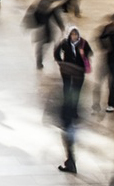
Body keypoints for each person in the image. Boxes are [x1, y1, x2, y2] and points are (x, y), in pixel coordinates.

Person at [54, 26, 93, 174]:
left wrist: (83, 57)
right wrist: (60, 62)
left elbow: (89, 53)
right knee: (67, 90)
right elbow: (56, 52)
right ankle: (70, 162)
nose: (74, 36)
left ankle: (70, 163)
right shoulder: (64, 43)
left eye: (76, 34)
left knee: (75, 93)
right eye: (72, 34)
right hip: (67, 71)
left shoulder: (83, 43)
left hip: (78, 73)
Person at [97, 15, 114, 113]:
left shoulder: (108, 28)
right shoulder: (109, 29)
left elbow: (100, 39)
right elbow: (101, 39)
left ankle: (111, 103)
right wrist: (106, 48)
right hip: (111, 59)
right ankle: (111, 103)